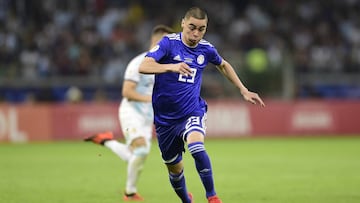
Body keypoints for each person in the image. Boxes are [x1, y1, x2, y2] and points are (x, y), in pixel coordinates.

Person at [138, 7, 265, 203]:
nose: (196, 33)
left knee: (197, 147)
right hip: (165, 120)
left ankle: (212, 196)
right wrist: (170, 66)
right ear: (182, 23)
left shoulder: (206, 48)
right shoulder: (168, 43)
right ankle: (187, 200)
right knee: (175, 170)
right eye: (192, 27)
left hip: (192, 111)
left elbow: (223, 64)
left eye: (201, 29)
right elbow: (144, 65)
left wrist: (243, 89)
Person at [84, 24, 175, 201]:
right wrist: (150, 99)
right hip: (131, 112)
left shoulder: (165, 67)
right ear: (156, 41)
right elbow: (127, 91)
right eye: (168, 41)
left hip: (148, 118)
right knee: (141, 151)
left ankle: (107, 141)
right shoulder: (139, 62)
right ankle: (130, 192)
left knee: (136, 154)